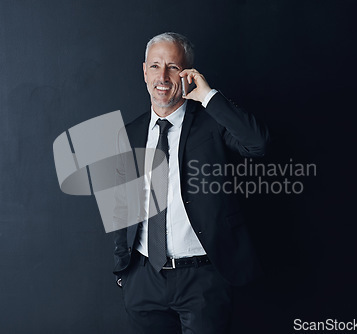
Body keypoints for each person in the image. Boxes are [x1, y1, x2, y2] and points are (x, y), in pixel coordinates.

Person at [112, 32, 269, 334]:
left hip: (202, 280)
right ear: (144, 71)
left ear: (187, 74)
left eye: (173, 66)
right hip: (145, 280)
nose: (163, 75)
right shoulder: (129, 133)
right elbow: (121, 206)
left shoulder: (212, 124)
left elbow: (258, 144)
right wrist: (124, 269)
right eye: (155, 66)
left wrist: (209, 96)